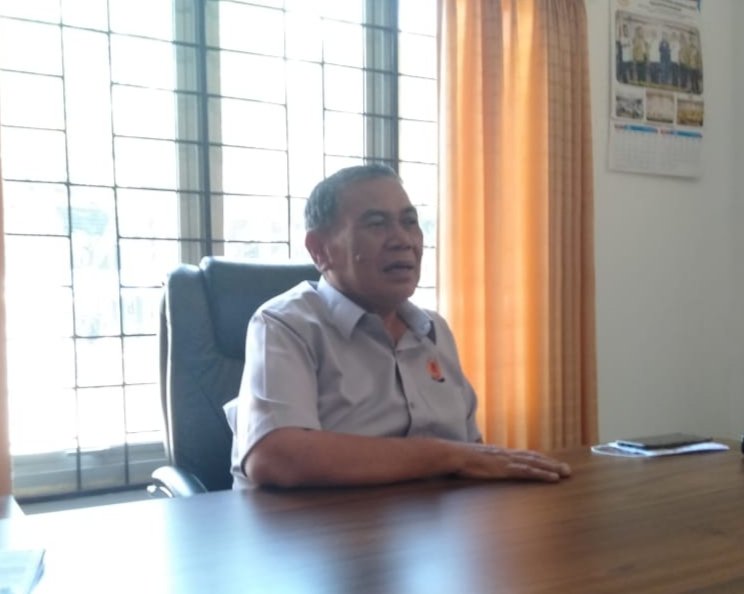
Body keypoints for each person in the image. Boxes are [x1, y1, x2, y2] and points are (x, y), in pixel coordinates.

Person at [224, 164, 571, 489]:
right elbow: (275, 456)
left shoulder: (433, 330)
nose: (403, 240)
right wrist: (445, 455)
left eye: (410, 222)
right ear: (320, 250)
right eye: (377, 224)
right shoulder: (285, 325)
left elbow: (472, 453)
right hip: (312, 528)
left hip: (432, 524)